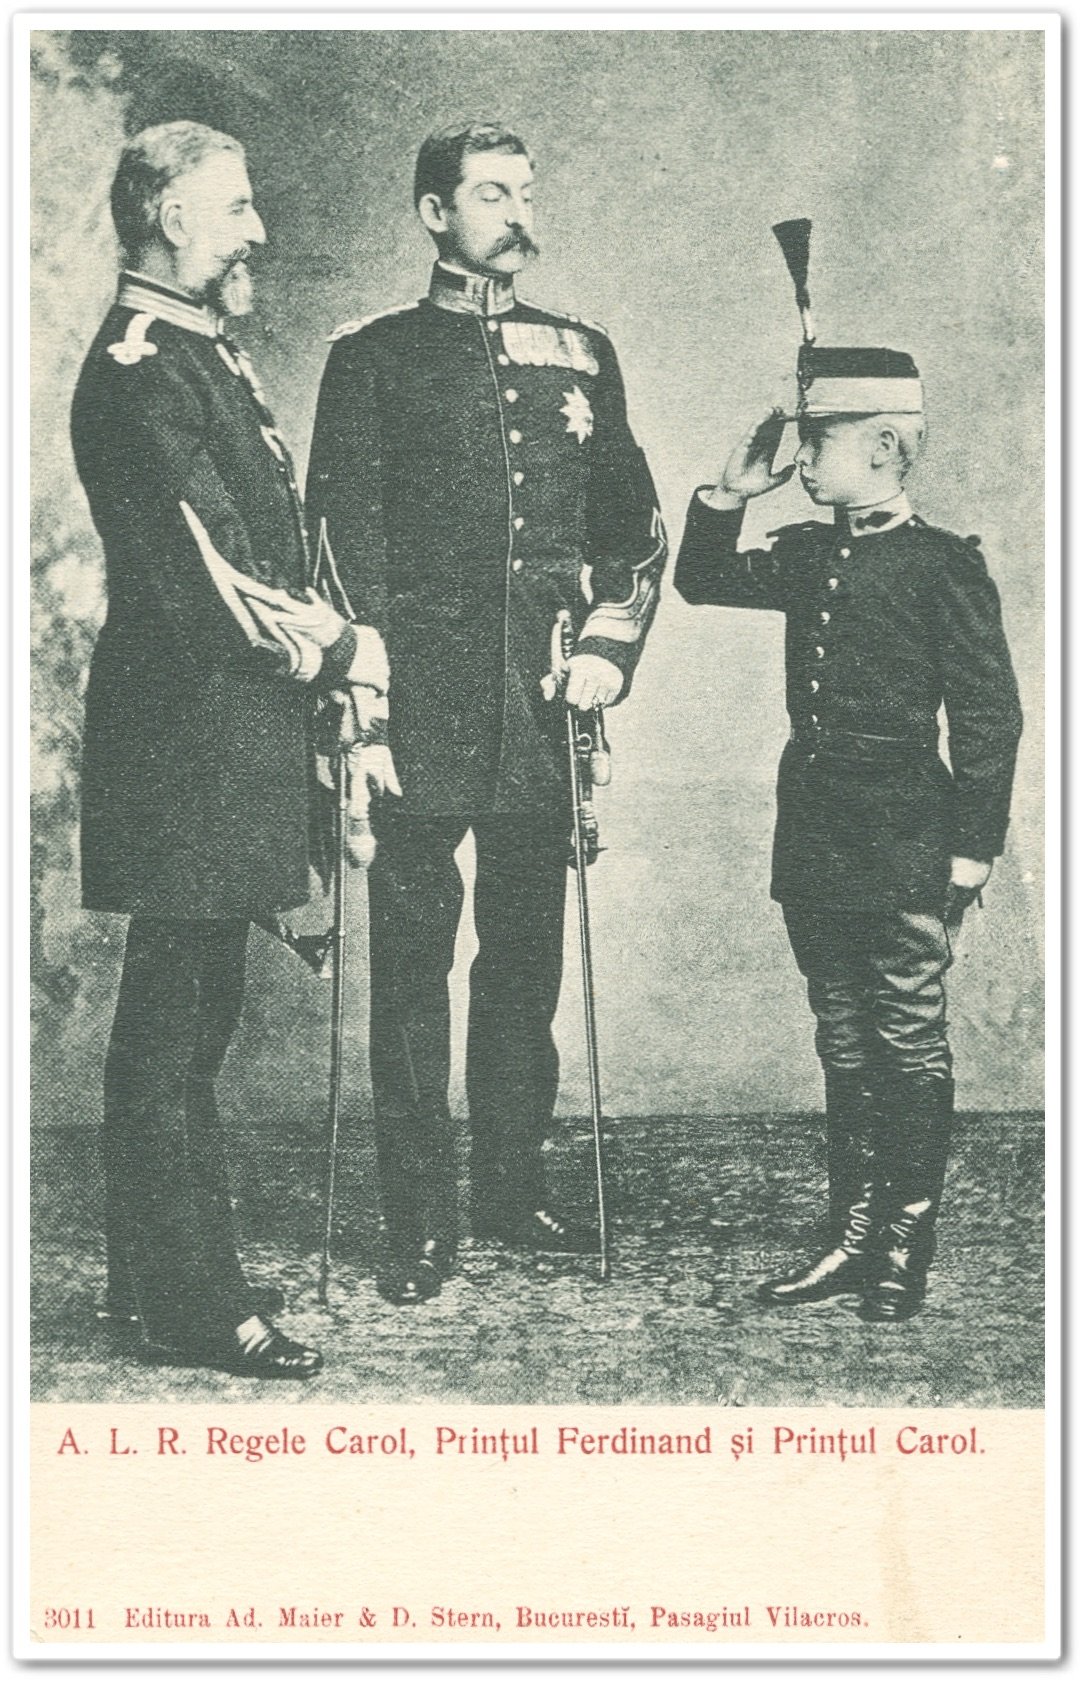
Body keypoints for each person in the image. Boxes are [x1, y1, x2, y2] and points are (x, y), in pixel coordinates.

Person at [306, 120, 665, 1305]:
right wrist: (364, 699)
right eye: (493, 192)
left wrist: (610, 646)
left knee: (523, 958)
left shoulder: (583, 353)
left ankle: (511, 1186)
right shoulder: (372, 358)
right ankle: (419, 1218)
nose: (518, 212)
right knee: (412, 963)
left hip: (543, 700)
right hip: (419, 705)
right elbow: (336, 540)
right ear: (431, 213)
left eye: (527, 189)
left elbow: (634, 531)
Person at [71, 121, 385, 1377]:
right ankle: (197, 1300)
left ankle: (147, 1280)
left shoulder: (203, 355)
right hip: (182, 734)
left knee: (185, 1017)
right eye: (238, 207)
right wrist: (339, 653)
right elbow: (212, 580)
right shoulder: (141, 363)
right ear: (165, 216)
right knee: (174, 1029)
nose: (258, 230)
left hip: (221, 732)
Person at [674, 343, 1022, 1322]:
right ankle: (852, 1236)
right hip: (817, 837)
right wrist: (729, 491)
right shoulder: (804, 551)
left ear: (882, 446)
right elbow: (700, 581)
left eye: (816, 438)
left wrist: (973, 846)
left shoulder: (941, 565)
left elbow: (990, 716)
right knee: (842, 1034)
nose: (800, 454)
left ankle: (904, 1241)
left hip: (908, 833)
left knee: (905, 1035)